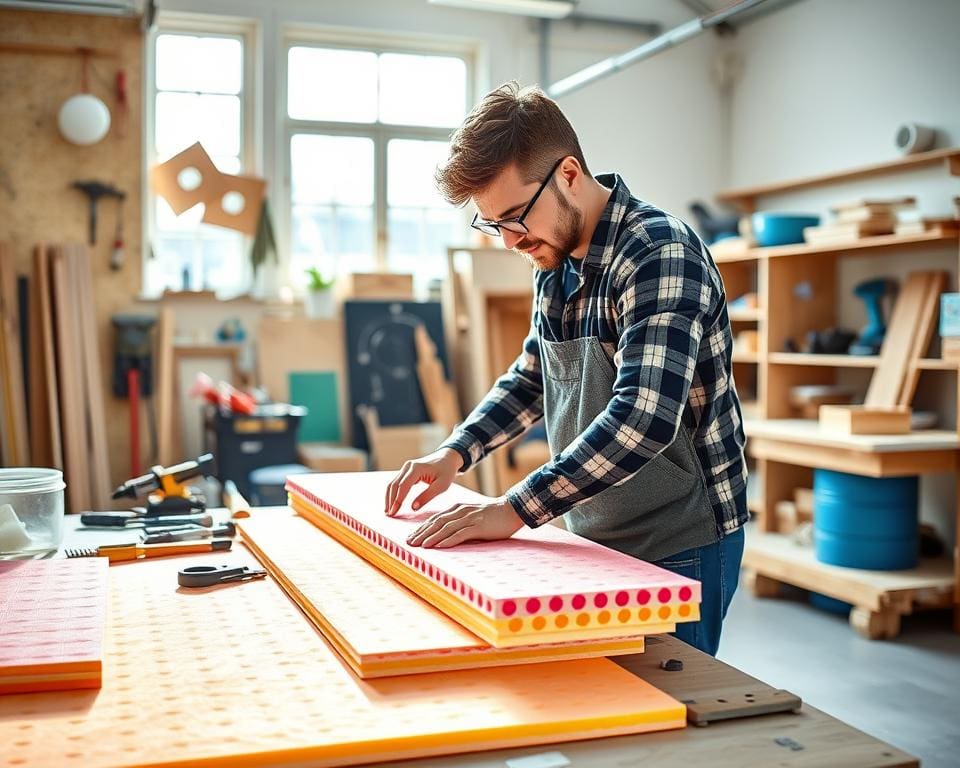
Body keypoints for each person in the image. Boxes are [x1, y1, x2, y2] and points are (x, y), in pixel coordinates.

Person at [383, 81, 748, 656]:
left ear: (570, 175)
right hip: (594, 528)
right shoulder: (553, 256)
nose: (508, 241)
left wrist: (514, 509)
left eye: (514, 217)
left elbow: (643, 418)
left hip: (679, 538)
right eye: (492, 224)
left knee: (665, 716)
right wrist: (455, 453)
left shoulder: (658, 253)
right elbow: (534, 376)